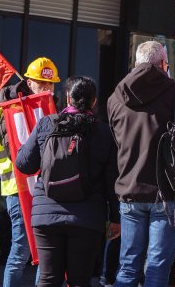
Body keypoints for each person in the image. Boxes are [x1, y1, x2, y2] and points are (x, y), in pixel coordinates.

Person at [107, 41, 175, 287]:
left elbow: (116, 141)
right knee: (157, 268)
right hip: (168, 196)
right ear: (163, 64)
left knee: (128, 267)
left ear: (136, 64)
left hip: (129, 194)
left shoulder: (115, 97)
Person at [15, 76, 120, 287]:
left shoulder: (47, 124)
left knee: (48, 278)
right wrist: (115, 218)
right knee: (79, 280)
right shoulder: (104, 133)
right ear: (94, 101)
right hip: (87, 218)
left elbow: (23, 164)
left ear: (67, 98)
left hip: (46, 214)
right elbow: (112, 181)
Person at [0, 56, 61, 287]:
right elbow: (16, 152)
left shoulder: (50, 109)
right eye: (42, 83)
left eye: (50, 84)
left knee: (46, 250)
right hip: (18, 190)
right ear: (29, 82)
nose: (47, 88)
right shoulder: (10, 111)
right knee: (20, 250)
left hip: (45, 190)